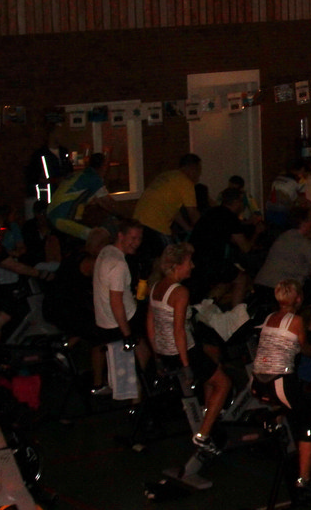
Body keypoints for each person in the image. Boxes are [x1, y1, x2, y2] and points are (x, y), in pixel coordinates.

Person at [250, 278, 311, 501]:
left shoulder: (270, 317)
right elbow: (303, 347)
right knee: (307, 423)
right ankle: (303, 480)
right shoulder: (295, 320)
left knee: (288, 406)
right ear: (298, 299)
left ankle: (277, 430)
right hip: (278, 380)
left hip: (258, 381)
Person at [149, 244, 232, 453]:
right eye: (189, 262)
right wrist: (186, 365)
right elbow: (178, 330)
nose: (192, 266)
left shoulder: (156, 287)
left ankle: (207, 410)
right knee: (224, 383)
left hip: (165, 350)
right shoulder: (180, 292)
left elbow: (150, 323)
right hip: (181, 351)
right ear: (177, 266)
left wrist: (157, 355)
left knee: (212, 354)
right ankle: (203, 436)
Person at [92, 218, 150, 398]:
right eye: (132, 238)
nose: (136, 243)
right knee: (142, 352)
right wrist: (127, 334)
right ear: (120, 236)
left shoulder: (106, 251)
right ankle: (141, 393)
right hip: (119, 319)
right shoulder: (118, 265)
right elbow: (116, 302)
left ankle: (138, 389)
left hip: (103, 318)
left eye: (139, 238)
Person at [186, 187, 253, 299]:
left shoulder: (211, 212)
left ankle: (207, 304)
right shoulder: (230, 217)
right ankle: (237, 309)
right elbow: (245, 248)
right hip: (210, 261)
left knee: (227, 279)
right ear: (236, 202)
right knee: (241, 278)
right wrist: (257, 233)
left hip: (194, 259)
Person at [134, 154, 203, 259]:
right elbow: (193, 213)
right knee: (169, 260)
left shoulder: (168, 176)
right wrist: (204, 231)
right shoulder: (186, 182)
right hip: (155, 225)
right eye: (198, 170)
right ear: (192, 168)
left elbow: (173, 210)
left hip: (139, 221)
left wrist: (187, 228)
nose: (198, 175)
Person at [254, 206, 311, 299]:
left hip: (262, 283)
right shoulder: (303, 243)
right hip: (281, 289)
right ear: (304, 223)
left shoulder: (284, 237)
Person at [48, 153, 117, 240]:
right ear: (103, 166)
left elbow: (96, 201)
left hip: (52, 213)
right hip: (62, 217)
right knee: (96, 238)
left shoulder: (80, 174)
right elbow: (108, 203)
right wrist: (121, 216)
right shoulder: (93, 178)